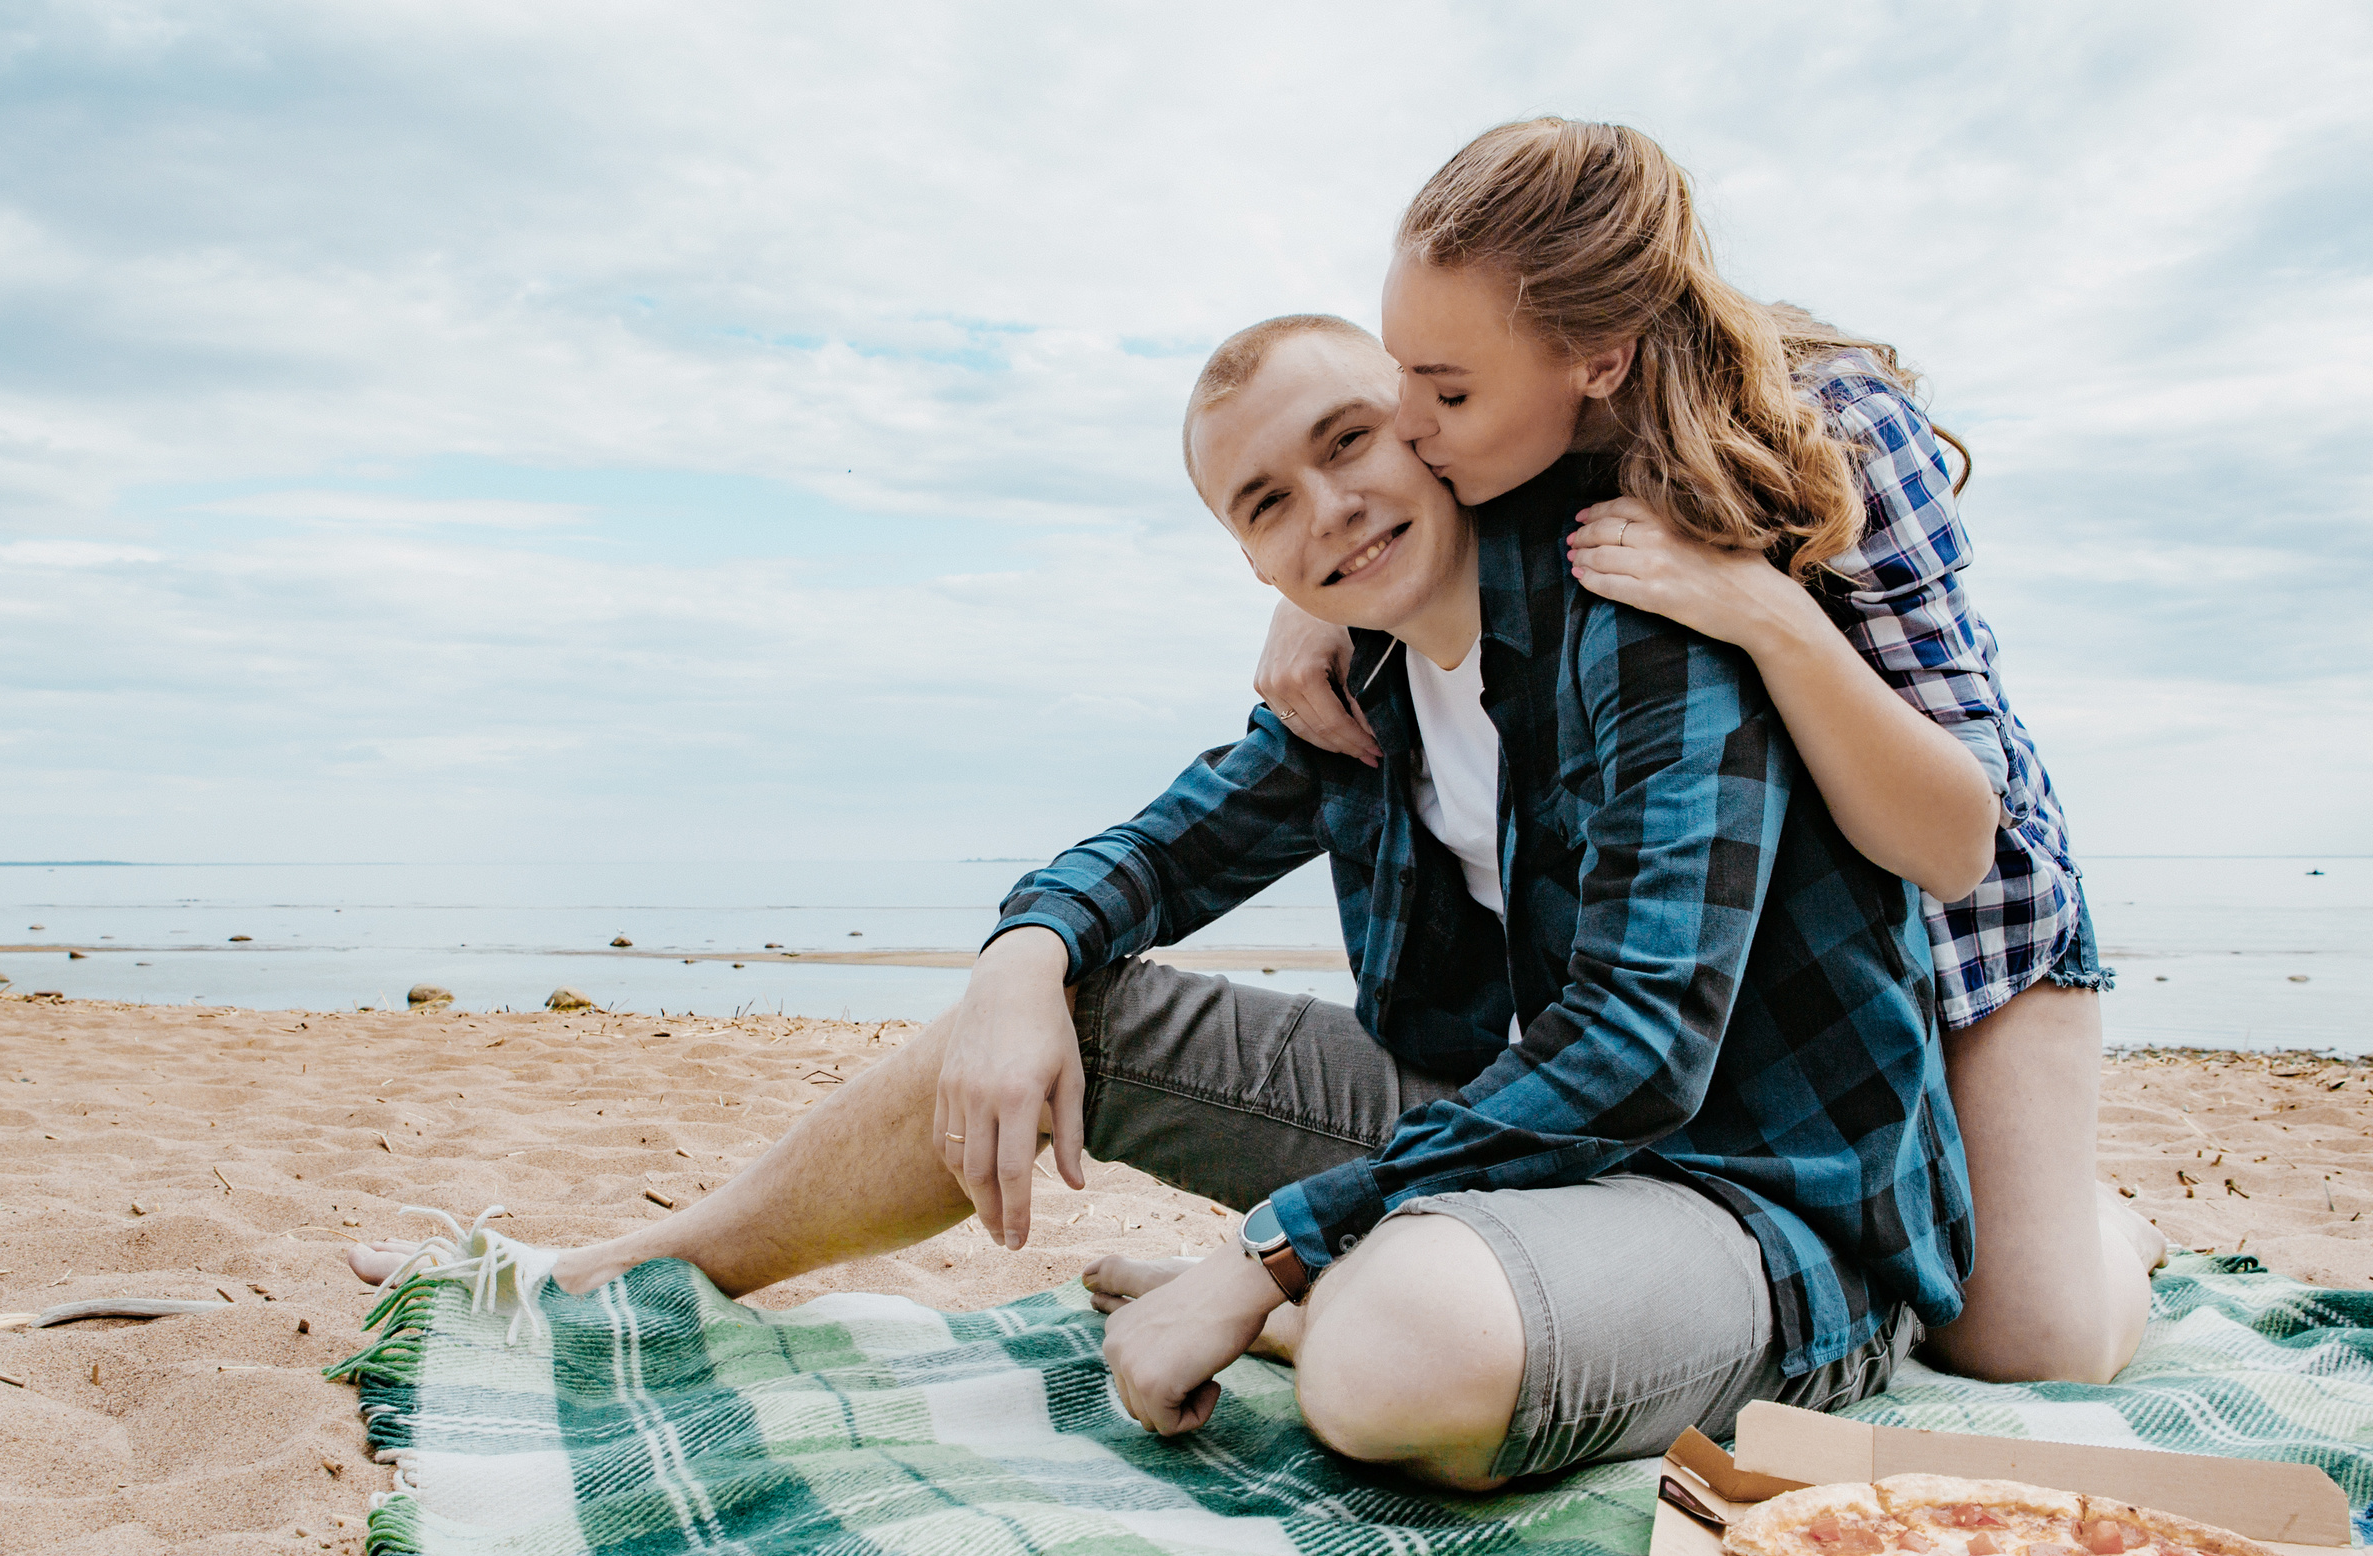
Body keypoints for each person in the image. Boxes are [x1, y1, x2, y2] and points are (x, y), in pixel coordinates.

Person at [349, 310, 1972, 1491]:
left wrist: (1270, 1251)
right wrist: (1022, 956)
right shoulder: (1364, 682)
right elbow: (1156, 849)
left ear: (1433, 425)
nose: (1326, 508)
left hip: (1758, 1210)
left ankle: (1332, 1304)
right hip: (1508, 1134)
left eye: (1349, 441)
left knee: (1386, 1359)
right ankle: (629, 1269)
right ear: (1251, 560)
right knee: (1059, 1010)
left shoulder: (1632, 605)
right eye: (1265, 501)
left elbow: (1638, 1049)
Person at [1251, 119, 2156, 1385]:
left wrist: (1769, 614)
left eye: (1444, 395)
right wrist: (1319, 605)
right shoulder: (1512, 429)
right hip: (1787, 962)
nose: (1410, 424)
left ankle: (2109, 1223)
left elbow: (1957, 844)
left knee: (2025, 1338)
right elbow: (1383, 525)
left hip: (1964, 929)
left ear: (1600, 359)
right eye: (1403, 374)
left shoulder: (1837, 425)